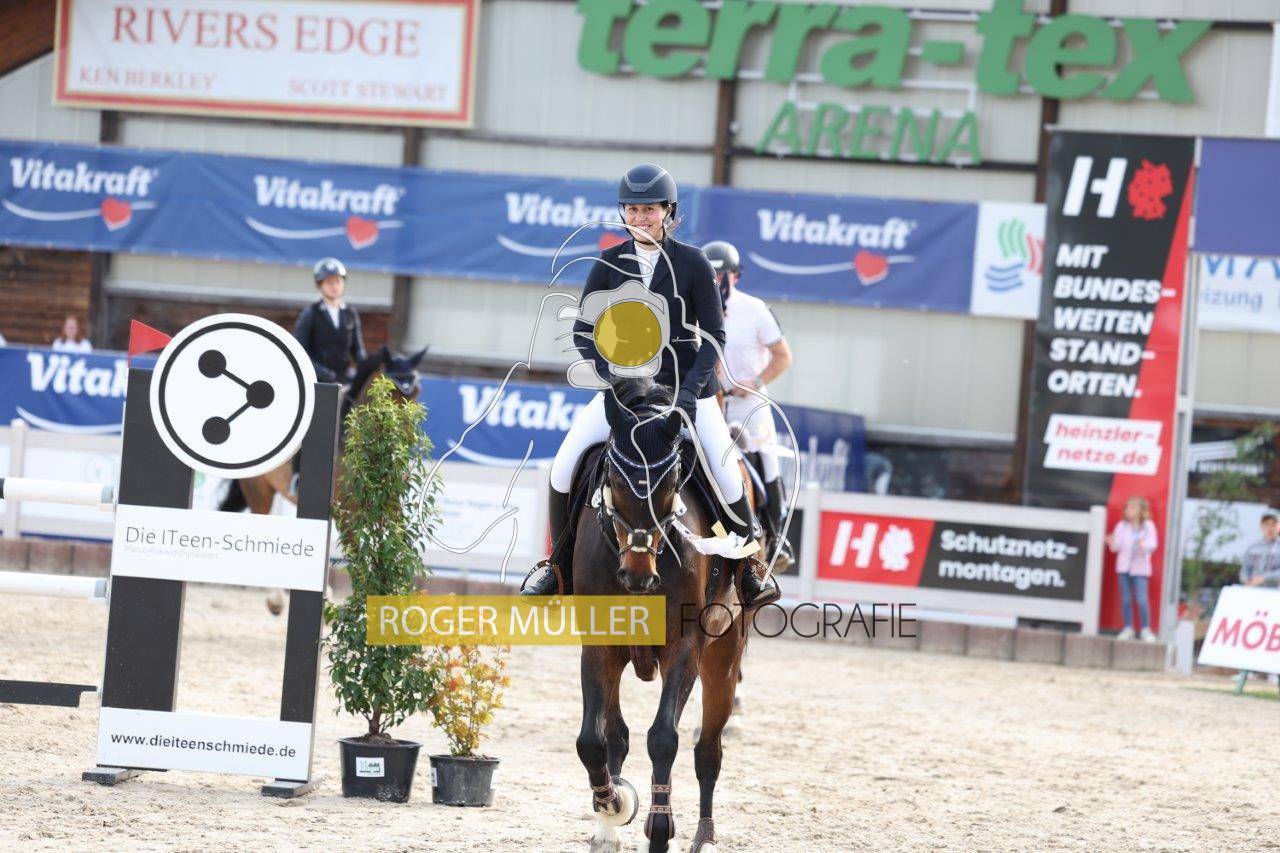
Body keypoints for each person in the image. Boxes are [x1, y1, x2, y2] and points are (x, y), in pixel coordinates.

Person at [520, 164, 779, 609]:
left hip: (687, 392)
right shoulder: (609, 262)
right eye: (633, 209)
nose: (641, 218)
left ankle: (747, 568)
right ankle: (558, 565)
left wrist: (689, 393)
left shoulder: (693, 263)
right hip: (624, 393)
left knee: (726, 473)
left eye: (650, 209)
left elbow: (713, 336)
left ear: (668, 212)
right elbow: (584, 331)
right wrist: (613, 376)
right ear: (623, 212)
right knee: (563, 465)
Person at [702, 240, 794, 565]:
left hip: (748, 402)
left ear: (734, 276)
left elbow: (783, 357)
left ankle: (778, 536)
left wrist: (754, 383)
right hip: (709, 401)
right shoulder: (693, 309)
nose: (714, 281)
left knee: (767, 457)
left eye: (720, 275)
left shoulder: (755, 310)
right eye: (709, 274)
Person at [293, 257, 367, 397]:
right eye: (329, 282)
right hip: (316, 384)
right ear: (319, 285)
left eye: (338, 281)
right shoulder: (311, 313)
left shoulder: (350, 313)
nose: (334, 286)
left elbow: (358, 350)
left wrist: (366, 369)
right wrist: (324, 374)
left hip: (344, 384)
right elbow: (299, 351)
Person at [1106, 495, 1158, 642]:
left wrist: (1143, 545)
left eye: (1132, 507)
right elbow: (1116, 547)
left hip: (1140, 569)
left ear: (1141, 510)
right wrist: (1111, 542)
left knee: (1141, 599)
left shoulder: (1148, 526)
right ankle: (1128, 628)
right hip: (1124, 568)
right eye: (1127, 507)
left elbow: (1152, 545)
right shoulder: (1121, 526)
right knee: (1126, 599)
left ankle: (1145, 629)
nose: (1128, 510)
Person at [1240, 513, 1280, 588]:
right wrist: (1246, 579)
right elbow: (1245, 569)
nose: (1270, 528)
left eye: (1273, 524)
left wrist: (1264, 578)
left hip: (1275, 590)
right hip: (1253, 589)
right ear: (1261, 526)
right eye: (1267, 525)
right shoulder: (1252, 548)